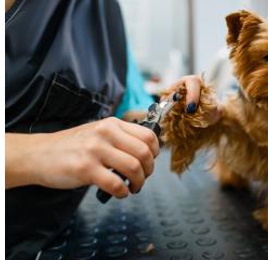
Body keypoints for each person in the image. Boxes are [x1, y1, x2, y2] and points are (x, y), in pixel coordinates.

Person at [5, 0, 208, 258]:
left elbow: (124, 109)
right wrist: (35, 153)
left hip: (57, 237)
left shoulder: (104, 12)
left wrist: (174, 111)